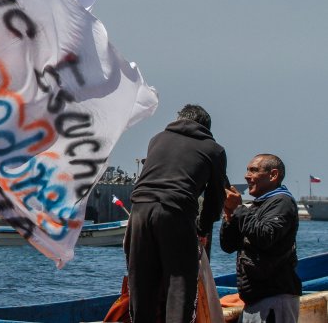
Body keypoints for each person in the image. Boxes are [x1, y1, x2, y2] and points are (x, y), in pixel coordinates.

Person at [124, 104, 228, 322]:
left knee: (141, 279)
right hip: (175, 211)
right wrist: (203, 227)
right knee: (179, 281)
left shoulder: (157, 139)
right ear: (206, 127)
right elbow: (216, 197)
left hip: (139, 210)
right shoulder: (214, 149)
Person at [221, 154, 301, 322]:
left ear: (273, 175)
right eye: (247, 170)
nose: (246, 175)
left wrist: (240, 209)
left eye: (254, 170)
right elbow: (228, 245)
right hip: (255, 300)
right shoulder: (258, 206)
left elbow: (265, 236)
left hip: (274, 298)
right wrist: (230, 214)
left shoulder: (282, 202)